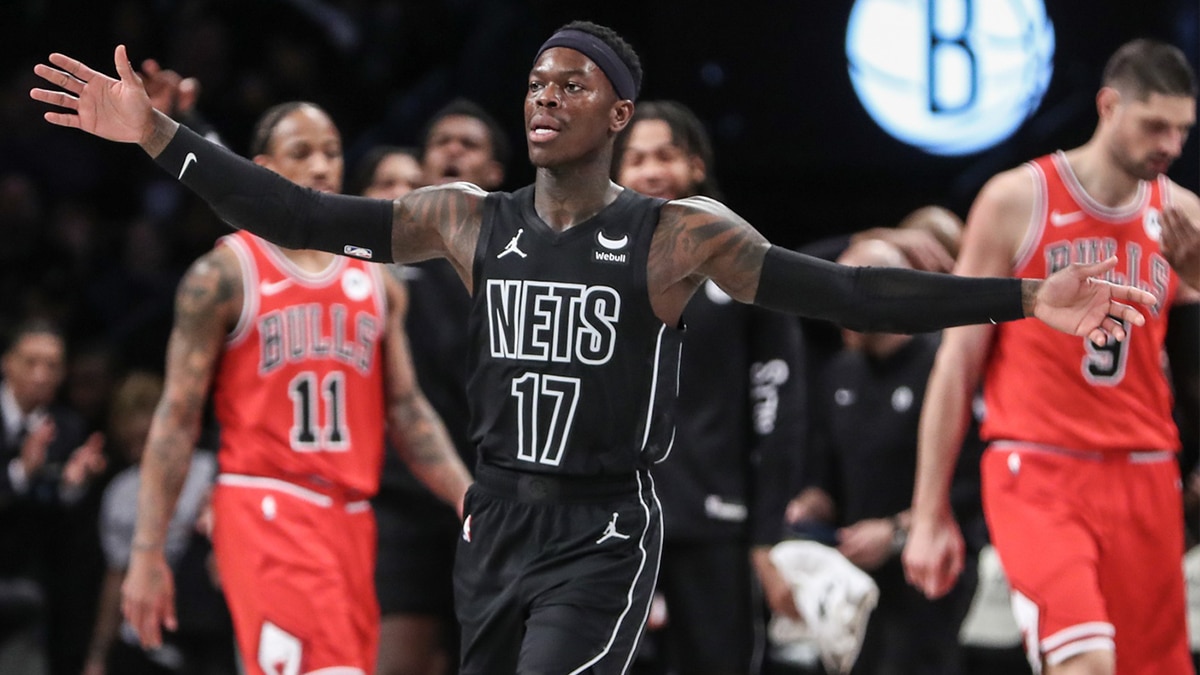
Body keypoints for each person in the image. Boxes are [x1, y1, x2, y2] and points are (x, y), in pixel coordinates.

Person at [33, 21, 1157, 674]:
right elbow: (307, 220)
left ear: (619, 114)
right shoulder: (467, 217)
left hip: (603, 526)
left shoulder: (676, 237)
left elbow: (848, 291)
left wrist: (1019, 297)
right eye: (534, 80)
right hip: (499, 518)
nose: (544, 95)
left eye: (572, 83)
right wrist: (164, 139)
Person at [107, 100, 470, 675]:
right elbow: (176, 420)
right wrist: (149, 551)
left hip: (351, 517)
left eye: (331, 152)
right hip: (267, 504)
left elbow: (407, 410)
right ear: (261, 167)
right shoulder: (223, 274)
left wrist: (464, 494)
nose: (323, 166)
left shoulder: (376, 278)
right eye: (302, 153)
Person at [900, 39, 1200, 675]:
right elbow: (957, 360)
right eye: (1156, 125)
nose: (1171, 145)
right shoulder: (1017, 199)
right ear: (1109, 106)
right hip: (1037, 465)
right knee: (1086, 663)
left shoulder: (1183, 216)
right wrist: (929, 511)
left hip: (1146, 466)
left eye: (1181, 129)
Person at [613, 99, 805, 675]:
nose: (650, 170)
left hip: (714, 523)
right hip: (610, 525)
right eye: (636, 158)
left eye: (665, 155)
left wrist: (767, 532)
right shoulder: (587, 261)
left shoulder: (743, 261)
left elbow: (779, 403)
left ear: (696, 165)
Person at [352, 99, 510, 675]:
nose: (452, 150)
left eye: (469, 143)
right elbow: (283, 206)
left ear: (495, 172)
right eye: (441, 141)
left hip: (502, 497)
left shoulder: (526, 257)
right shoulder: (381, 256)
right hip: (404, 499)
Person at [780, 238, 984, 675]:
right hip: (855, 578)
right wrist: (813, 501)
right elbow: (825, 471)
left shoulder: (940, 368)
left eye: (845, 299)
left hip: (930, 575)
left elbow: (972, 485)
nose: (834, 313)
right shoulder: (839, 371)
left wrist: (894, 532)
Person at [83, 371, 234, 675]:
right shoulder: (121, 493)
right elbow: (117, 576)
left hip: (208, 628)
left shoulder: (210, 473)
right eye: (131, 439)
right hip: (146, 637)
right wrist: (98, 655)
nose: (139, 442)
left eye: (146, 434)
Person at [0, 318, 107, 674]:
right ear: (7, 363)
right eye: (31, 362)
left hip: (34, 591)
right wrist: (21, 473)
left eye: (52, 365)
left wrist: (73, 486)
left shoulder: (70, 428)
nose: (41, 375)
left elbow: (65, 530)